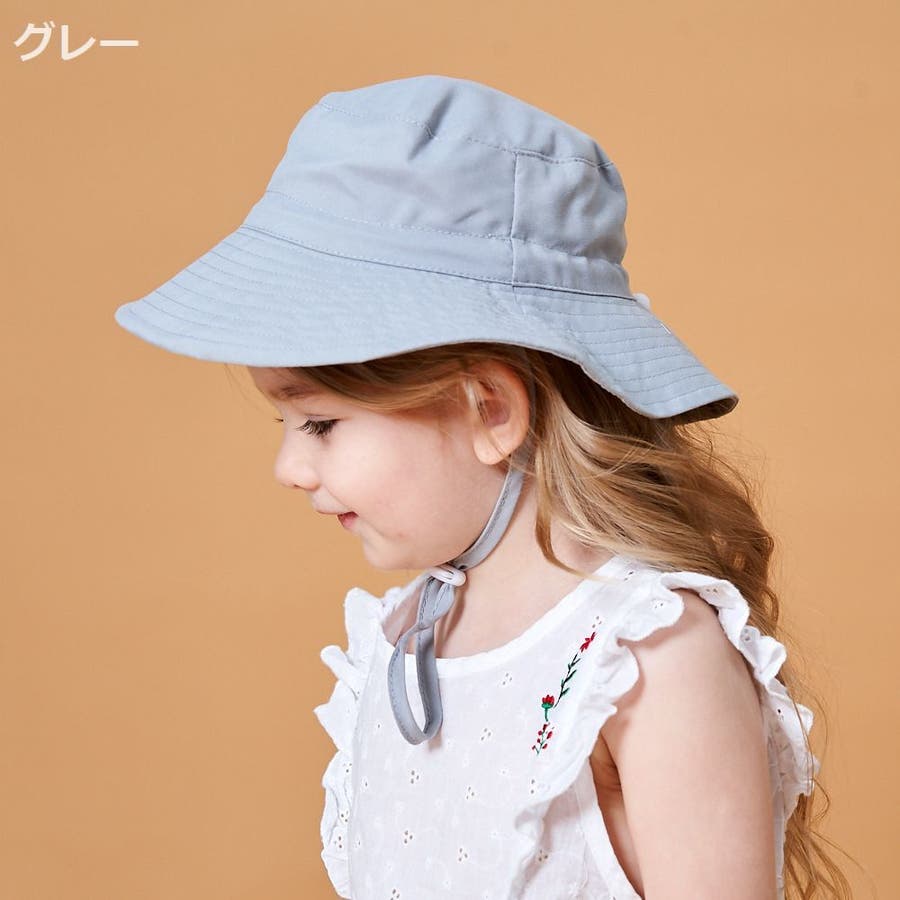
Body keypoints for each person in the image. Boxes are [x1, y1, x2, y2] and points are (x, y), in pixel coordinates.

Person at [114, 75, 852, 899]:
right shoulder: (411, 636)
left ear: (489, 409)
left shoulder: (645, 655)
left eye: (319, 423)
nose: (289, 468)